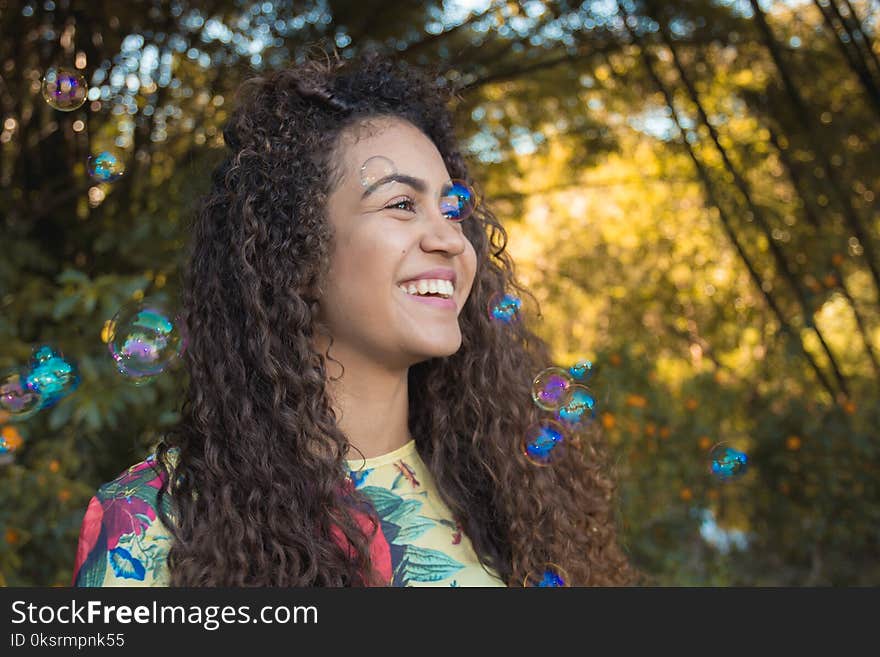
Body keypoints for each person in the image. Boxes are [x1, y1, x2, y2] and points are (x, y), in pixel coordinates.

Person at [72, 48, 635, 587]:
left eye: (453, 207)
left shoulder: (510, 488)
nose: (450, 240)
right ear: (296, 255)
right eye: (400, 204)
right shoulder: (149, 521)